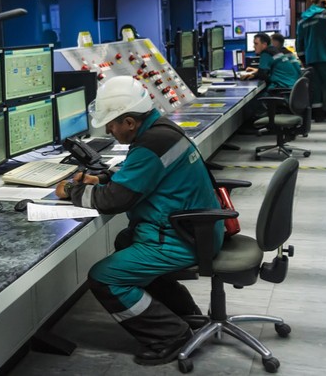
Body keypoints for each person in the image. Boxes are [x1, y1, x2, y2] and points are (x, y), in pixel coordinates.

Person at [55, 75, 223, 366]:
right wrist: (104, 178)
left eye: (112, 123)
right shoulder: (160, 130)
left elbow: (114, 201)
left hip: (181, 237)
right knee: (125, 241)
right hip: (199, 227)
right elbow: (140, 176)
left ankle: (170, 335)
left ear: (130, 122)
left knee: (104, 278)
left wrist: (72, 190)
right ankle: (185, 313)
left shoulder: (150, 144)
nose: (109, 130)